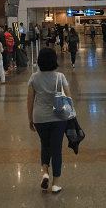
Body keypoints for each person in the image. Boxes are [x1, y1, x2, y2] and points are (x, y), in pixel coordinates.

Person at [27, 48, 71, 193]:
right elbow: (68, 97)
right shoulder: (60, 77)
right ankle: (55, 183)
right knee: (56, 149)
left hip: (40, 117)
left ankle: (45, 172)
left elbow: (30, 100)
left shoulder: (34, 78)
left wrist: (30, 118)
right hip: (58, 117)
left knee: (45, 145)